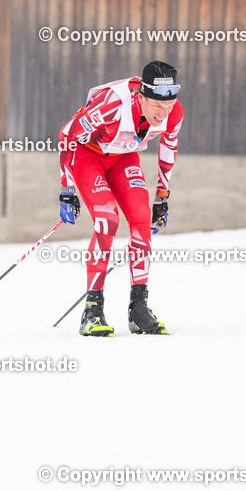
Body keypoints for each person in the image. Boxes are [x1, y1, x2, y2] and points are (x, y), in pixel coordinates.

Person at [57, 60, 183, 336]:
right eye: (157, 106)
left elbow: (168, 149)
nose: (163, 114)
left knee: (142, 218)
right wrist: (68, 190)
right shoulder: (113, 105)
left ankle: (138, 307)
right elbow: (67, 135)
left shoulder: (173, 112)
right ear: (141, 97)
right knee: (107, 220)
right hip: (89, 155)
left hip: (124, 157)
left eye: (169, 105)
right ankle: (92, 310)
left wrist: (162, 196)